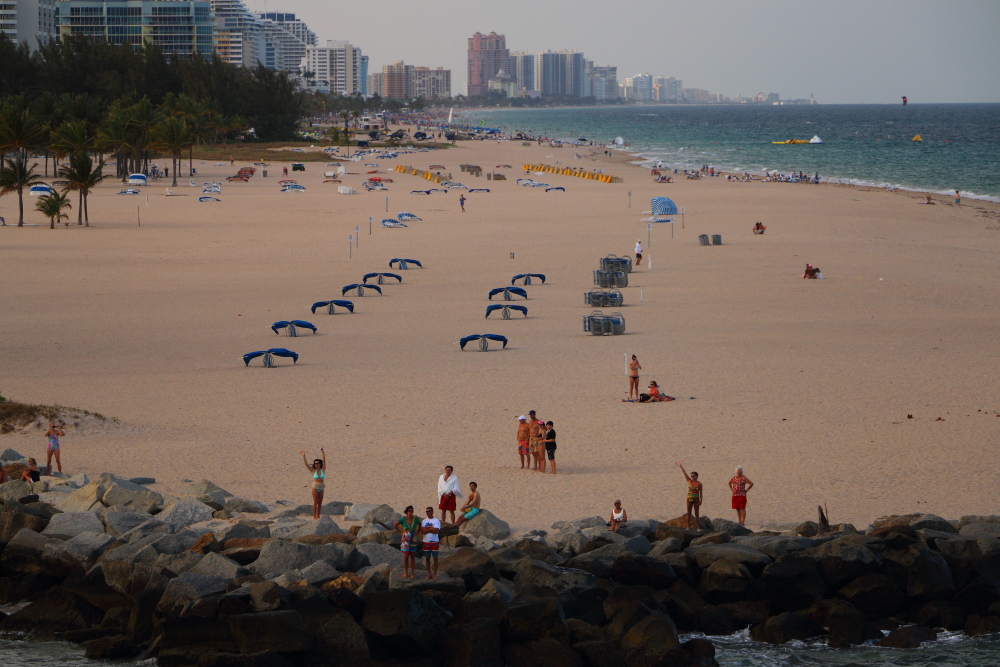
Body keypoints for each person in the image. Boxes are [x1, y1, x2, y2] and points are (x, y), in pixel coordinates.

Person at [394, 506, 420, 578]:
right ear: (407, 512)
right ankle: (405, 572)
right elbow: (395, 525)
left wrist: (417, 532)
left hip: (413, 537)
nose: (410, 512)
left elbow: (420, 525)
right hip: (406, 537)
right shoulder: (404, 519)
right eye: (409, 511)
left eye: (411, 511)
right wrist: (400, 532)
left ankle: (412, 573)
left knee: (412, 555)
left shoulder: (415, 519)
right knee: (406, 555)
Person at [300, 448, 326, 519]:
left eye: (317, 463)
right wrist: (304, 456)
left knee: (320, 503)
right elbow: (306, 464)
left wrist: (323, 453)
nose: (316, 464)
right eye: (315, 463)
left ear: (320, 464)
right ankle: (314, 516)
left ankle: (318, 515)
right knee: (315, 502)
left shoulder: (323, 470)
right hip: (315, 487)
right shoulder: (313, 470)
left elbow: (324, 460)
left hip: (321, 487)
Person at [676, 463, 703, 529]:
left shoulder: (699, 484)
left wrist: (701, 501)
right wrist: (680, 466)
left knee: (697, 514)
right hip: (689, 499)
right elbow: (685, 474)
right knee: (689, 513)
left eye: (693, 476)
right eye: (691, 476)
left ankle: (698, 527)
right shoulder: (689, 481)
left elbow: (701, 493)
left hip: (696, 500)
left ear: (697, 476)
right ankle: (687, 526)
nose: (692, 477)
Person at [420, 506, 441, 579]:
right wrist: (431, 529)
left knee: (435, 558)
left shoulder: (436, 521)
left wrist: (427, 530)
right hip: (426, 541)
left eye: (428, 511)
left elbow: (437, 531)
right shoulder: (424, 521)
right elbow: (422, 531)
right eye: (426, 511)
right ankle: (429, 574)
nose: (427, 513)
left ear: (432, 512)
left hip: (434, 541)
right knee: (427, 558)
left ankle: (435, 574)